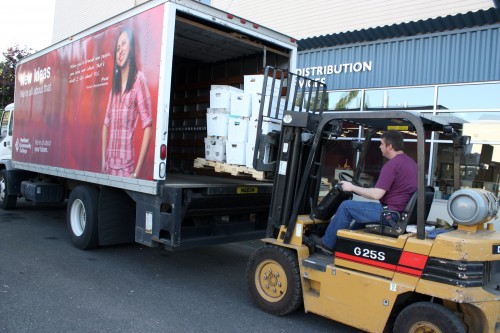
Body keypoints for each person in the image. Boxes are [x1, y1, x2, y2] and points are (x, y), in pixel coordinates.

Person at [312, 131, 417, 254]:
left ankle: (327, 244)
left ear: (390, 146)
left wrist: (352, 187)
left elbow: (377, 194)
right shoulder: (412, 164)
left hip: (390, 214)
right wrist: (356, 188)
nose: (379, 147)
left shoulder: (392, 165)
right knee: (358, 216)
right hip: (397, 212)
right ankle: (344, 245)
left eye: (381, 144)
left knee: (346, 207)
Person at [102, 27, 153, 178]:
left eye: (124, 44)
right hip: (109, 167)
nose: (120, 50)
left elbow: (148, 125)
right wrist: (103, 161)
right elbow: (105, 123)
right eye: (118, 48)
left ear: (131, 48)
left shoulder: (139, 80)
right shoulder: (114, 88)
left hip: (126, 169)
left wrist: (136, 172)